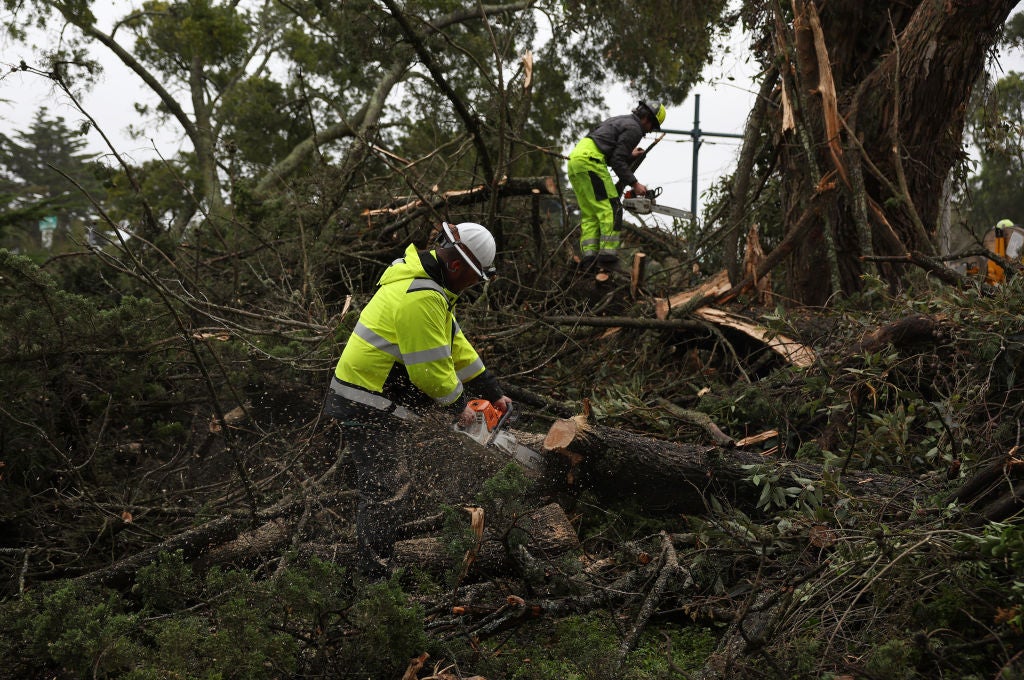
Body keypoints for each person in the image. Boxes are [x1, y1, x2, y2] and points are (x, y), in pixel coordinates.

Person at [323, 221, 513, 577]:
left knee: (387, 485)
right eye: (474, 278)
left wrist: (491, 390)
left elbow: (455, 345)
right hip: (367, 400)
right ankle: (373, 581)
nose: (473, 286)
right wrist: (460, 408)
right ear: (457, 265)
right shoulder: (423, 296)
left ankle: (372, 566)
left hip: (372, 398)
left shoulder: (432, 290)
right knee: (387, 490)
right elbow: (428, 372)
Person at [567, 100, 667, 273]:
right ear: (648, 120)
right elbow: (617, 161)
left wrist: (630, 154)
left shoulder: (621, 120)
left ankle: (589, 260)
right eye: (652, 126)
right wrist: (635, 184)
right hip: (592, 162)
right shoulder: (635, 129)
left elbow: (611, 150)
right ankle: (607, 258)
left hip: (576, 161)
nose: (649, 131)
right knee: (613, 209)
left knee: (591, 213)